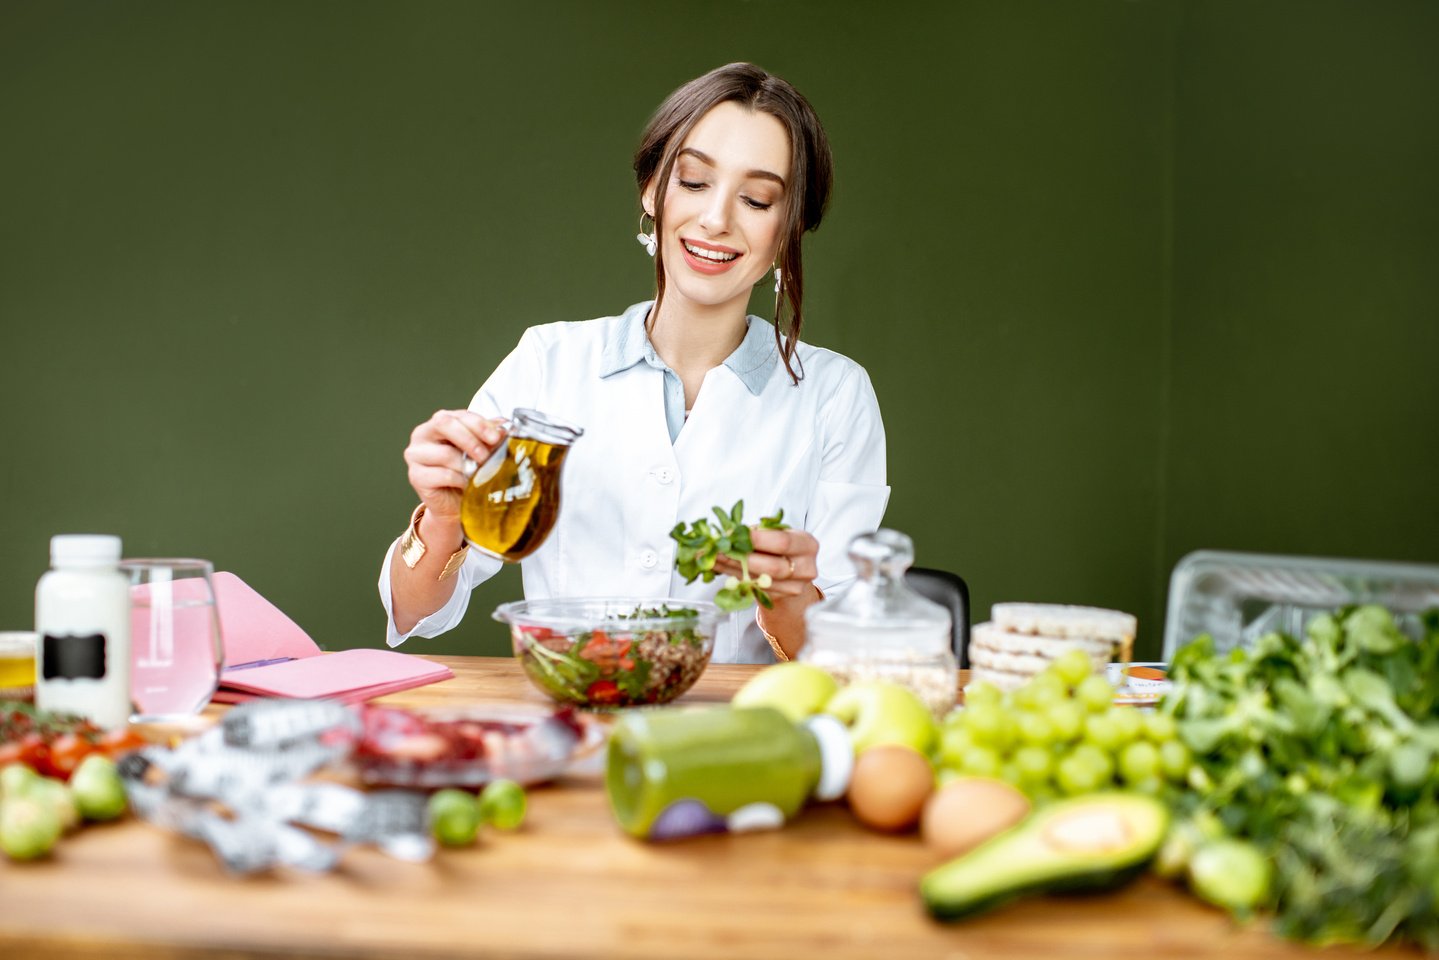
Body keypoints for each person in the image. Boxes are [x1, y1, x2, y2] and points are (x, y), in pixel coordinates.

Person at [379, 62, 888, 663]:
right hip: (574, 721)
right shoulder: (548, 364)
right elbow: (413, 612)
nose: (716, 219)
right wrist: (444, 520)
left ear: (790, 227)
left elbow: (848, 660)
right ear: (653, 190)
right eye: (694, 182)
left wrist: (789, 594)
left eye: (756, 198)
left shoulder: (835, 396)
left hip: (736, 739)